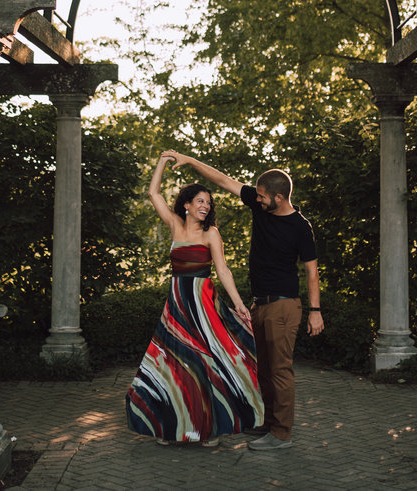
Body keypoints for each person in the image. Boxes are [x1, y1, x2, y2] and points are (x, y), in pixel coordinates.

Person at [161, 149, 324, 451]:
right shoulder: (261, 206)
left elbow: (312, 272)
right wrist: (191, 161)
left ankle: (282, 433)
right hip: (259, 304)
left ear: (278, 197)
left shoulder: (300, 226)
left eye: (262, 196)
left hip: (284, 304)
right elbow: (223, 180)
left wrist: (315, 311)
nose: (256, 199)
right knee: (262, 368)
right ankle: (268, 422)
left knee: (280, 369)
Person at [125, 155, 263, 447]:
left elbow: (222, 269)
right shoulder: (175, 225)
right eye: (200, 201)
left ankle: (208, 429)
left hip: (203, 305)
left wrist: (238, 303)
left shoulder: (211, 233)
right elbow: (153, 193)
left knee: (205, 363)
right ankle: (171, 428)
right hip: (176, 304)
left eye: (208, 202)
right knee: (171, 363)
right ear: (186, 205)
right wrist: (163, 160)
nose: (206, 206)